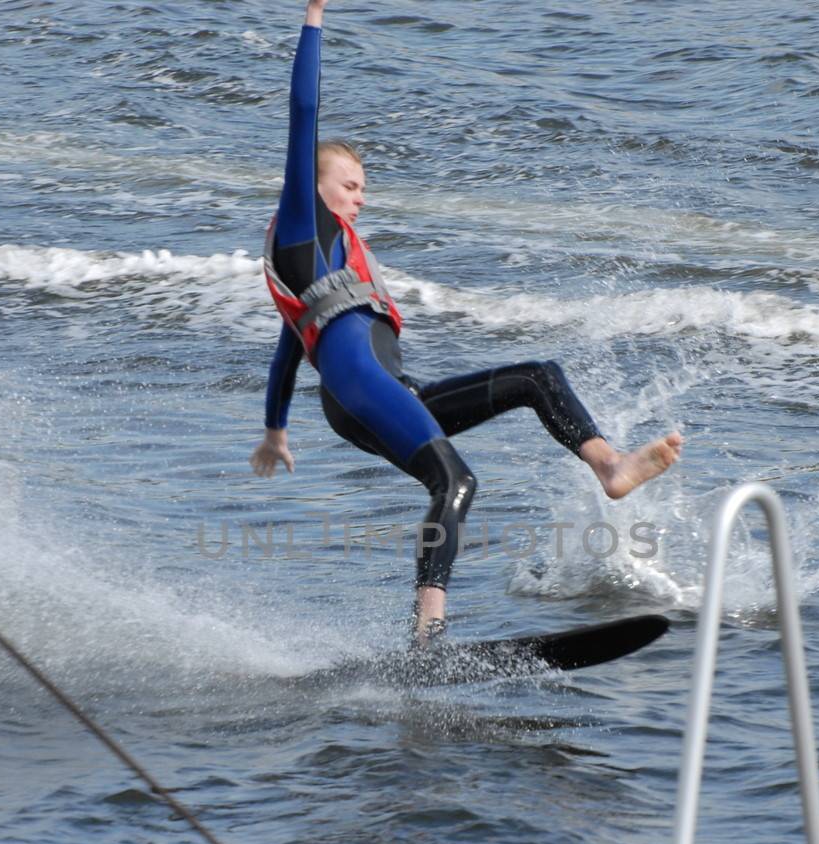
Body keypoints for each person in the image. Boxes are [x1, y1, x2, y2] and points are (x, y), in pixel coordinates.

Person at [250, 0, 683, 646]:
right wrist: (314, 14)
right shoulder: (300, 220)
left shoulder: (326, 261)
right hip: (359, 386)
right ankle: (427, 635)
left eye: (365, 187)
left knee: (538, 377)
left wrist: (275, 430)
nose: (360, 197)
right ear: (312, 186)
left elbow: (291, 347)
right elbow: (304, 114)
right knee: (454, 480)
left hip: (384, 389)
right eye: (350, 184)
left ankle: (609, 466)